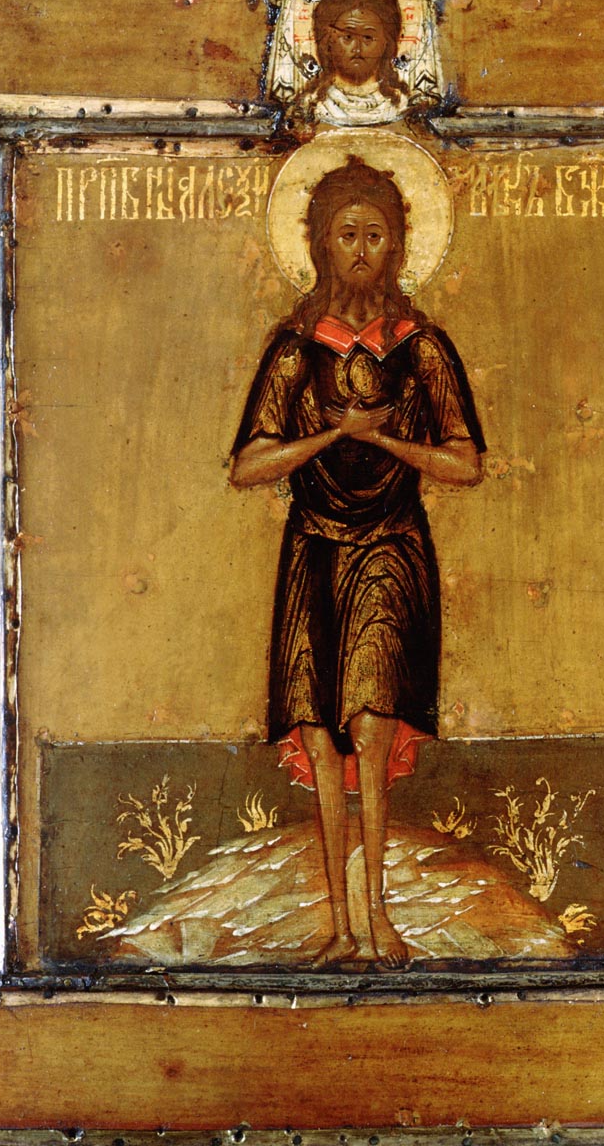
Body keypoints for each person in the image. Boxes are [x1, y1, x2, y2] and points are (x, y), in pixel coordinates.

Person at [231, 158, 485, 968]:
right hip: (312, 548)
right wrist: (333, 435)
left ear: (398, 246)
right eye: (347, 235)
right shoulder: (294, 352)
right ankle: (339, 928)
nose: (362, 250)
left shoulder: (421, 349)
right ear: (320, 245)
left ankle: (378, 919)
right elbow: (248, 464)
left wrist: (386, 441)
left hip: (389, 546)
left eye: (376, 235)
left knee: (372, 726)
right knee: (319, 735)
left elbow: (464, 462)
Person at [294, 0, 411, 128]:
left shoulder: (402, 105)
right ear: (328, 41)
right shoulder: (311, 106)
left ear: (386, 42)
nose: (357, 48)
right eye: (348, 37)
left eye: (368, 37)